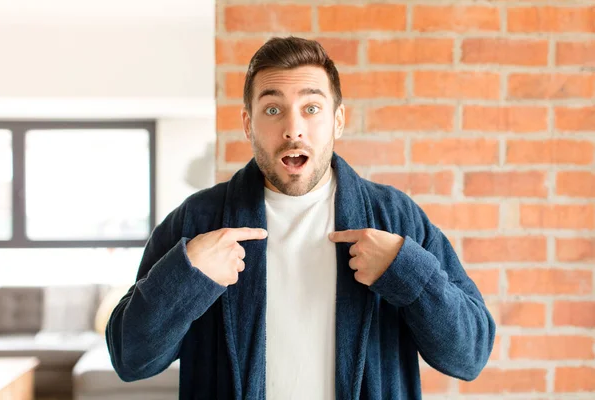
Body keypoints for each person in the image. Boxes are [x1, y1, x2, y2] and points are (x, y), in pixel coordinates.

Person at [106, 36, 496, 399]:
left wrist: (407, 272)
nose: (294, 129)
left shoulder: (394, 217)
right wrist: (186, 277)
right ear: (248, 123)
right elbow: (131, 359)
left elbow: (468, 356)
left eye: (311, 108)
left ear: (337, 121)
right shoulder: (197, 220)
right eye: (273, 109)